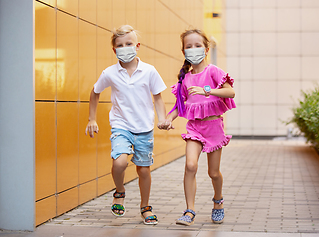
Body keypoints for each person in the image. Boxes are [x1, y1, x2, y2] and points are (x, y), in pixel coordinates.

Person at [85, 25, 167, 225]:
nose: (125, 47)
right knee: (119, 162)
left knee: (143, 170)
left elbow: (157, 97)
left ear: (137, 46)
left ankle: (145, 207)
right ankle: (120, 191)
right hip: (121, 125)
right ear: (114, 50)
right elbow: (95, 92)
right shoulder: (110, 73)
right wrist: (92, 118)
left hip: (144, 128)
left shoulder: (149, 71)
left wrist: (162, 118)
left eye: (129, 43)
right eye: (120, 45)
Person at [158, 29, 236, 225]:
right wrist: (169, 119)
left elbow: (230, 92)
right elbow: (180, 106)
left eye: (198, 45)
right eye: (189, 46)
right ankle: (189, 210)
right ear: (184, 51)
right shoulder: (185, 78)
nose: (193, 49)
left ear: (206, 49)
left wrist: (207, 90)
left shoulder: (213, 71)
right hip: (194, 128)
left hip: (214, 127)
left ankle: (218, 201)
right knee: (190, 166)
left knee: (213, 173)